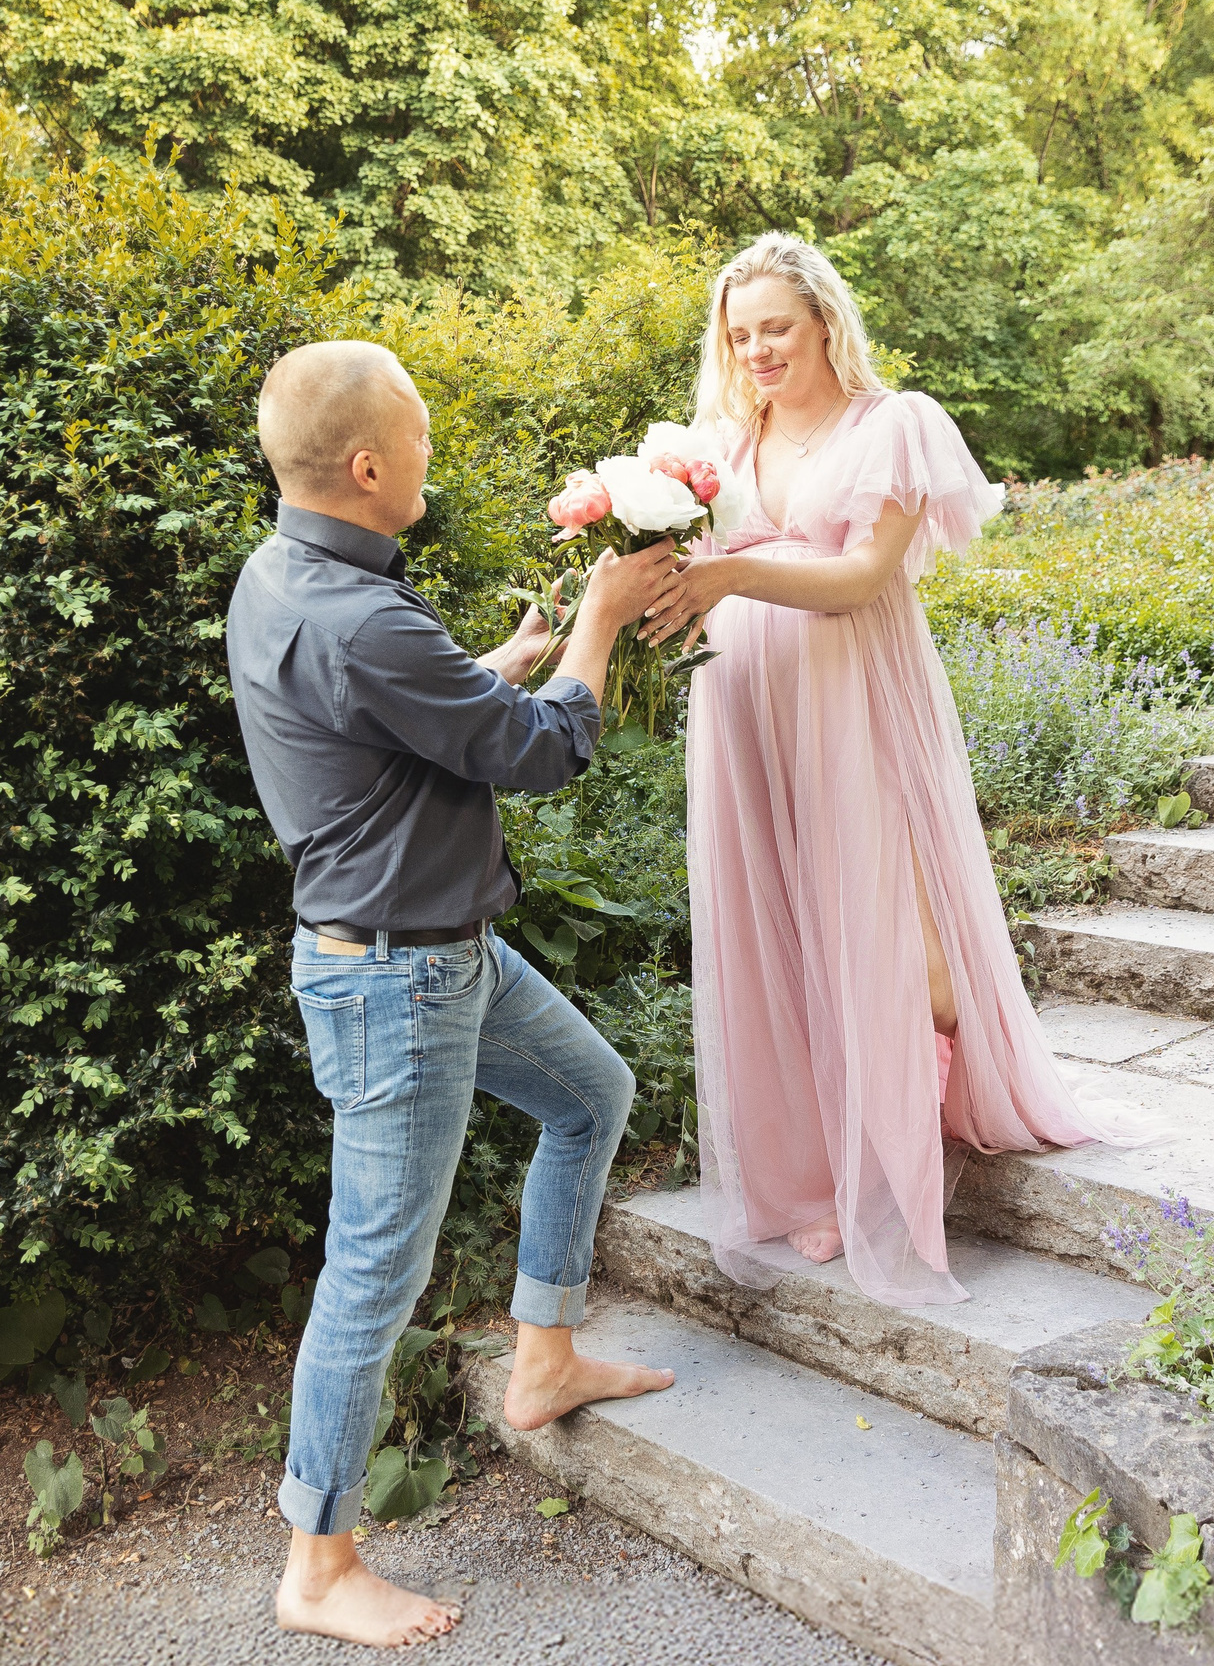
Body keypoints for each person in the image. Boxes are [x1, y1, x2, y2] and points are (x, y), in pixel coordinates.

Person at [229, 340, 679, 1648]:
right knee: (372, 1271)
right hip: (396, 979)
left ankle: (542, 1357)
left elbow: (373, 722)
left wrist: (485, 664)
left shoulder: (284, 579)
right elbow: (542, 751)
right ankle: (317, 1562)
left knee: (594, 1092)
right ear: (368, 466)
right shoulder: (362, 616)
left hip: (443, 954)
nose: (430, 450)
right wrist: (595, 625)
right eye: (420, 434)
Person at [636, 235, 1099, 1308]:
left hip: (850, 694)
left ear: (824, 323)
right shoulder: (715, 443)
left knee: (889, 923)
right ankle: (818, 1175)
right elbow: (685, 573)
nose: (755, 350)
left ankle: (909, 1115)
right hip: (744, 704)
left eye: (775, 329)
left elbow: (855, 578)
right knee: (781, 932)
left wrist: (726, 573)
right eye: (738, 333)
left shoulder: (894, 423)